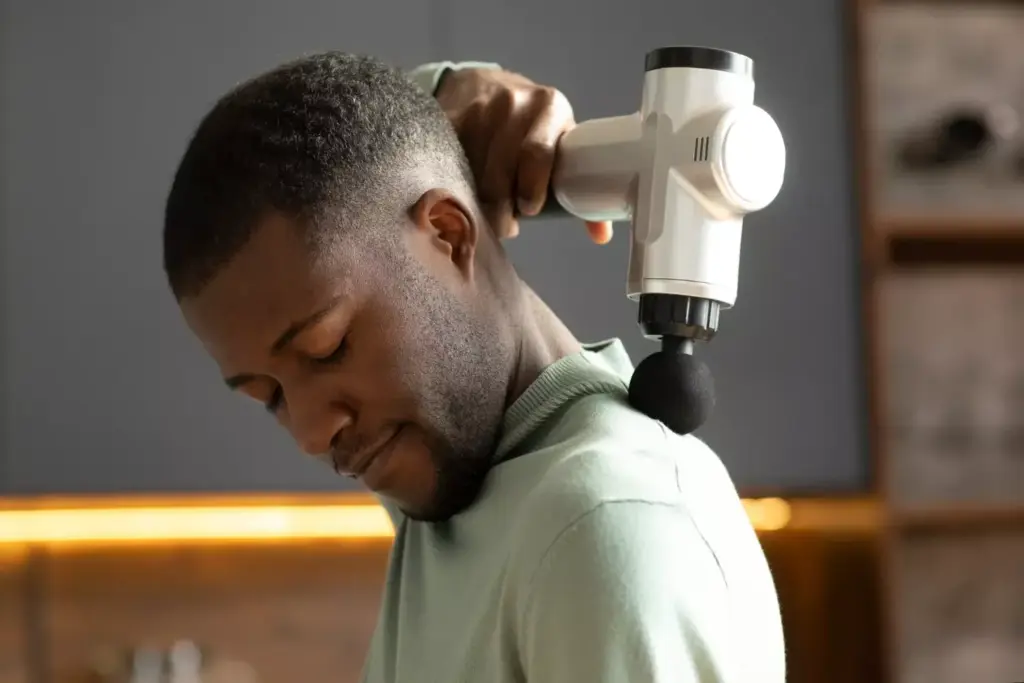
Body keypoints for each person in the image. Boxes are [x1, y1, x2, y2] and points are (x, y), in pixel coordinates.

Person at [162, 52, 785, 682]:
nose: (311, 433)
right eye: (269, 397)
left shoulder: (603, 527)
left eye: (327, 349)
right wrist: (454, 89)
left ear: (450, 235)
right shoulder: (456, 468)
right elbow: (354, 148)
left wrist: (438, 110)